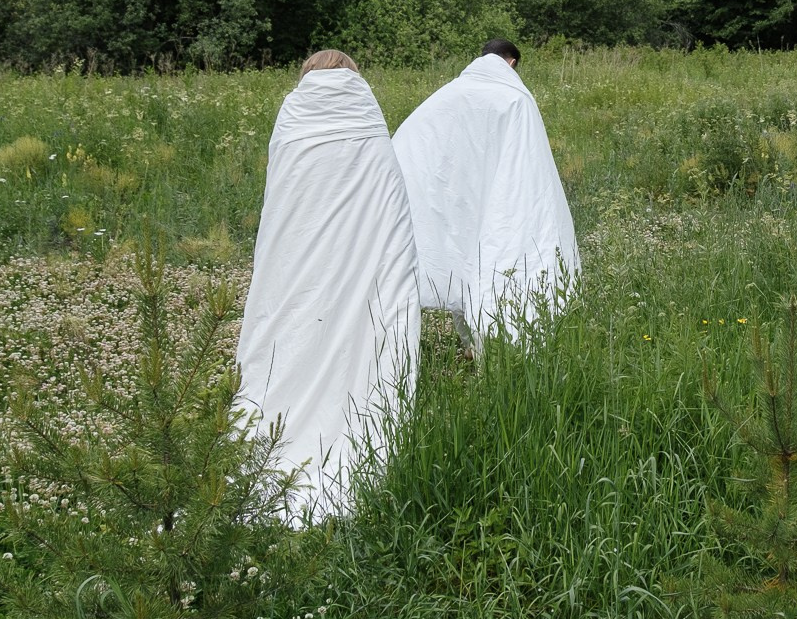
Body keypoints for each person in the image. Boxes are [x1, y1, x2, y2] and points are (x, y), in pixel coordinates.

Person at [236, 49, 420, 513]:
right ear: (354, 74)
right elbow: (389, 200)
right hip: (364, 259)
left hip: (296, 261)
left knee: (292, 329)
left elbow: (282, 194)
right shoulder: (367, 113)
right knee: (363, 336)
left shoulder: (293, 112)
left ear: (306, 74)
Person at [391, 39, 579, 348]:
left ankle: (469, 344)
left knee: (463, 255)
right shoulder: (515, 100)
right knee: (494, 255)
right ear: (511, 63)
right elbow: (529, 168)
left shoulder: (448, 94)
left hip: (457, 196)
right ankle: (495, 344)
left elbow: (417, 142)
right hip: (498, 195)